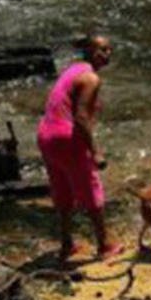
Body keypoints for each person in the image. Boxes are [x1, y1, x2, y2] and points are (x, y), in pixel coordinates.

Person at [36, 34, 123, 264]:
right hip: (66, 137)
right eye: (101, 50)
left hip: (46, 134)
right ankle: (105, 245)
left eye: (109, 49)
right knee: (91, 188)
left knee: (61, 188)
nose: (107, 54)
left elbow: (61, 102)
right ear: (89, 51)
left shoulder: (72, 70)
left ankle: (67, 244)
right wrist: (95, 151)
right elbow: (81, 117)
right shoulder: (91, 78)